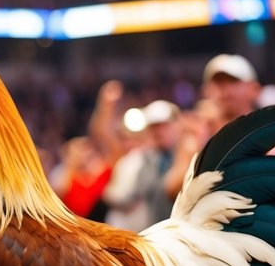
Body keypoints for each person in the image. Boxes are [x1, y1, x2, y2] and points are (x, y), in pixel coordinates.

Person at [165, 53, 261, 197]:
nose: (225, 91)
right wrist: (200, 151)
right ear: (206, 91)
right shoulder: (197, 131)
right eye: (218, 84)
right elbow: (172, 189)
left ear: (253, 89)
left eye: (233, 82)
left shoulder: (268, 127)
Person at [103, 100, 180, 231]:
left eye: (163, 126)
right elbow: (134, 194)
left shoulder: (187, 153)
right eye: (153, 127)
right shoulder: (143, 160)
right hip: (156, 232)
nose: (158, 132)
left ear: (176, 125)